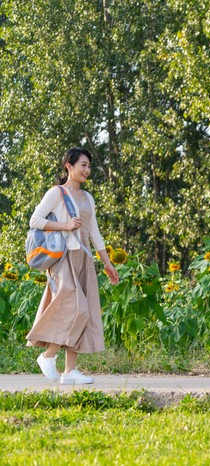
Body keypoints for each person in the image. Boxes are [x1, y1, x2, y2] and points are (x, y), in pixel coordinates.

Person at [27, 148, 119, 384]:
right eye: (83, 165)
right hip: (63, 258)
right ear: (69, 166)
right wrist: (65, 226)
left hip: (85, 258)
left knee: (83, 310)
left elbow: (94, 232)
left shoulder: (88, 198)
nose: (87, 170)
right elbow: (35, 220)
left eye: (89, 166)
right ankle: (48, 356)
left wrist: (107, 263)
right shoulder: (56, 193)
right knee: (74, 307)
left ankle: (69, 372)